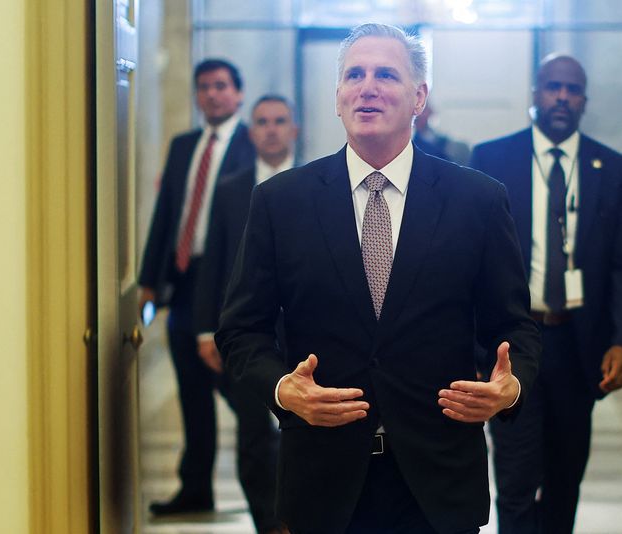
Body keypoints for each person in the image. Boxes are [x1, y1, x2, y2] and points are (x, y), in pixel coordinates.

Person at [215, 23, 541, 534]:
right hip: (323, 480)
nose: (368, 86)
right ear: (338, 97)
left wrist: (511, 385)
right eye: (354, 75)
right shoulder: (282, 202)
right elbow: (240, 332)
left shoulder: (477, 200)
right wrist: (283, 390)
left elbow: (515, 327)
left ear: (419, 96)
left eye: (386, 74)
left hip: (438, 483)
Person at [470, 54, 622, 534]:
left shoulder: (612, 169)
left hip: (577, 345)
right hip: (512, 342)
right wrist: (471, 346)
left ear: (584, 100)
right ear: (535, 94)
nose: (562, 97)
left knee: (565, 479)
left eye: (572, 89)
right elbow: (469, 261)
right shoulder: (491, 160)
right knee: (514, 479)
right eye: (552, 87)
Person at [138, 58, 255, 515]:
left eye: (221, 86)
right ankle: (195, 487)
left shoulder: (251, 146)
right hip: (185, 281)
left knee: (240, 392)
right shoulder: (184, 145)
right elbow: (166, 214)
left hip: (229, 283)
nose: (212, 94)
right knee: (192, 391)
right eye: (204, 87)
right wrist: (150, 280)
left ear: (238, 93)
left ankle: (272, 492)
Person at [195, 94, 299, 532]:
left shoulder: (316, 181)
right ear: (251, 131)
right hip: (249, 333)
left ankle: (301, 518)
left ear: (294, 129)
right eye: (262, 122)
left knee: (301, 433)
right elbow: (213, 262)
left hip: (301, 331)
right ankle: (267, 523)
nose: (271, 129)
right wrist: (206, 329)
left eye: (279, 121)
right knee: (254, 437)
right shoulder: (231, 188)